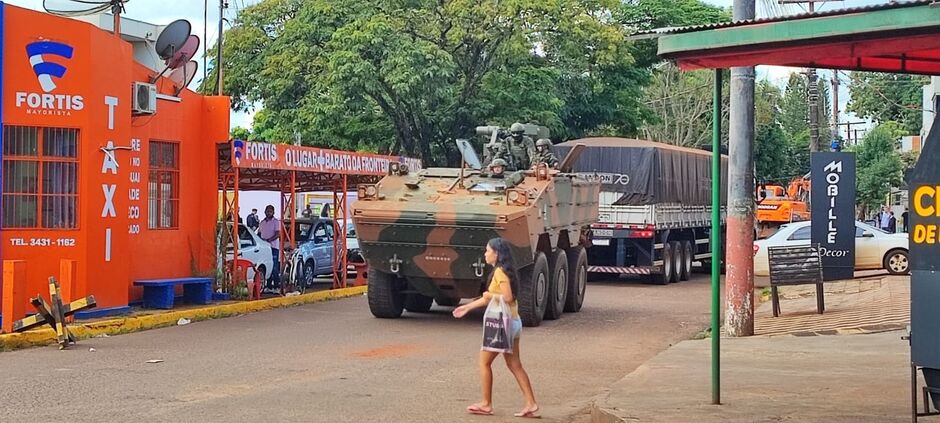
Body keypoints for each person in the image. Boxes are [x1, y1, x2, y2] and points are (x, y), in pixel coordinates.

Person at [453, 238, 539, 418]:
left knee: (484, 363)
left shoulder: (499, 272)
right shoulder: (504, 271)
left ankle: (486, 403)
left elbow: (506, 297)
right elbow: (489, 299)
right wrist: (467, 307)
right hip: (513, 322)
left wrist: (488, 293)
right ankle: (531, 404)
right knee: (515, 365)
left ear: (497, 254)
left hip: (502, 325)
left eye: (487, 250)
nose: (485, 254)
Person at [258, 205, 281, 292]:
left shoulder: (276, 222)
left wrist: (269, 240)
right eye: (267, 211)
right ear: (265, 212)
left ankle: (276, 286)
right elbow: (259, 234)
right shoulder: (262, 222)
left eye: (270, 211)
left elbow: (278, 234)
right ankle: (268, 286)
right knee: (267, 266)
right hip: (264, 248)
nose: (268, 213)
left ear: (273, 212)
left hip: (273, 247)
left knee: (274, 267)